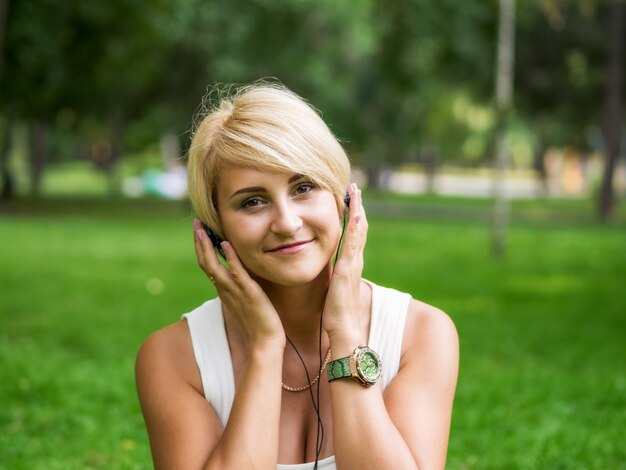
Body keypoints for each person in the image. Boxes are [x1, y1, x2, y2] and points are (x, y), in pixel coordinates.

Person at [135, 82, 459, 470]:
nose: (287, 223)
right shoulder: (174, 358)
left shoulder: (421, 334)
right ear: (215, 229)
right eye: (252, 202)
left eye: (304, 187)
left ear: (344, 201)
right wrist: (265, 347)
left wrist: (345, 333)